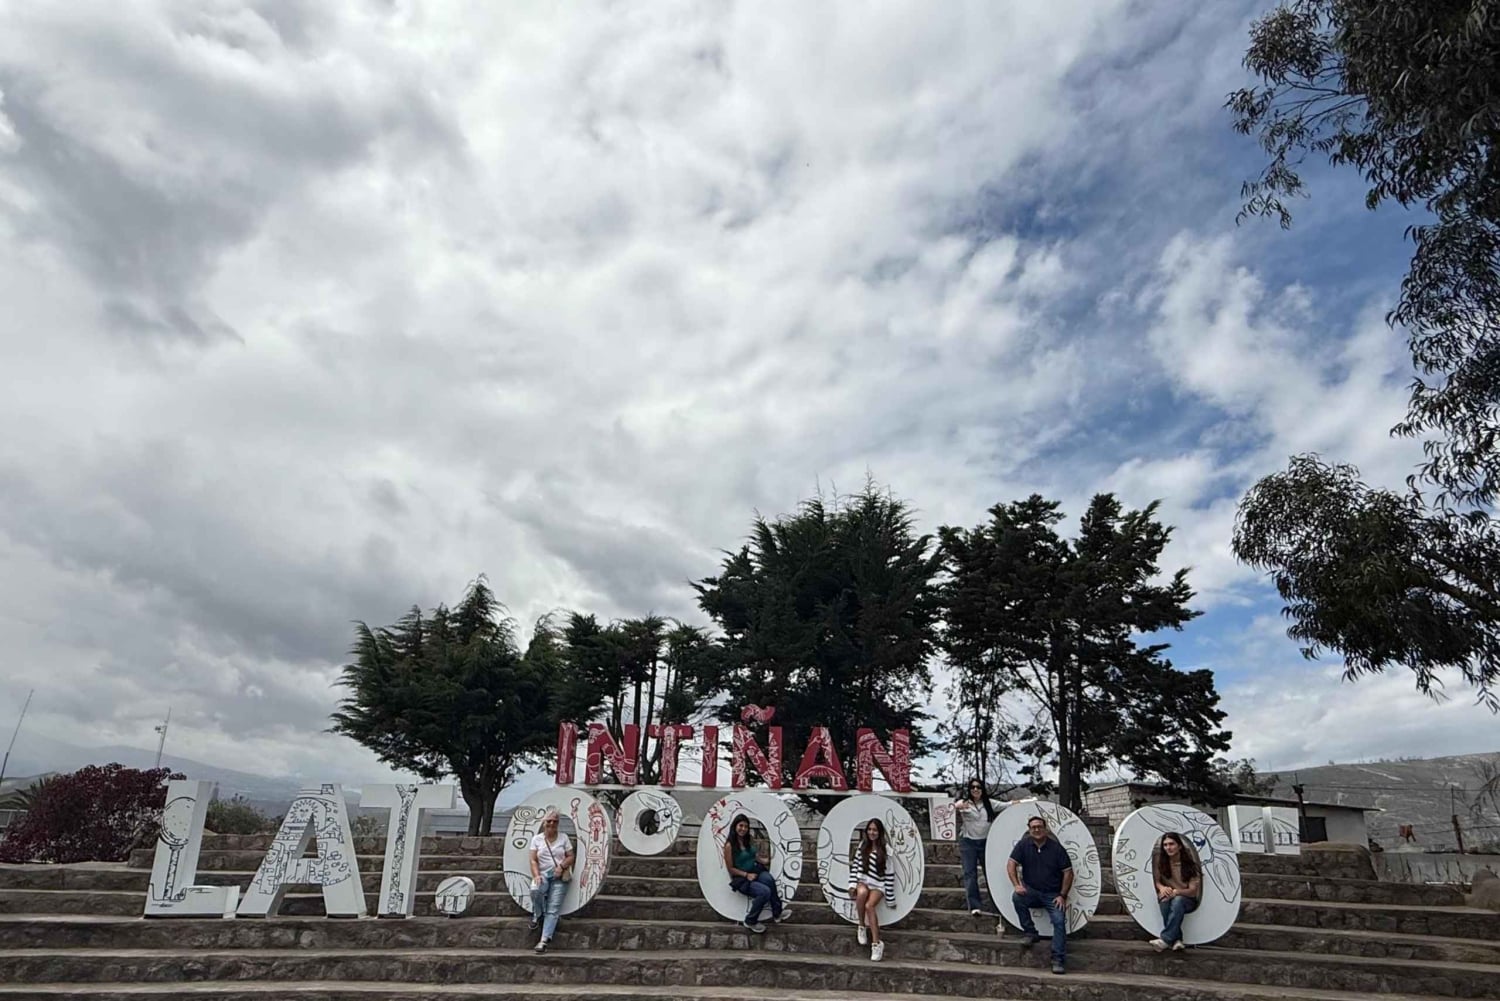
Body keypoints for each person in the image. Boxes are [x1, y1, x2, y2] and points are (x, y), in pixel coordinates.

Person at [1006, 815, 1073, 975]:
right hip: (1032, 891)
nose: (1036, 830)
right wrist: (1016, 885)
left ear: (1045, 829)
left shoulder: (1056, 848)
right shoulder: (1023, 845)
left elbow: (1068, 872)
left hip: (1052, 894)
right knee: (1017, 898)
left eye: (1039, 827)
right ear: (1029, 830)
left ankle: (1058, 959)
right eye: (1033, 827)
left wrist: (1062, 895)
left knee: (1059, 920)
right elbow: (1011, 864)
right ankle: (1030, 932)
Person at [722, 813, 791, 932]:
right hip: (742, 879)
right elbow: (730, 868)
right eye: (741, 825)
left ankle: (777, 913)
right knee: (764, 892)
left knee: (769, 879)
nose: (743, 829)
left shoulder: (749, 840)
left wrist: (765, 860)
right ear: (735, 826)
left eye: (746, 826)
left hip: (755, 870)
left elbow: (754, 856)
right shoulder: (729, 846)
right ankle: (750, 921)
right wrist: (746, 875)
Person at [847, 817, 897, 962]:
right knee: (861, 893)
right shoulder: (863, 846)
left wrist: (890, 897)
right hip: (863, 880)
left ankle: (876, 943)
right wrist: (851, 884)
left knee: (870, 905)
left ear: (879, 832)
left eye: (874, 830)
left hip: (878, 884)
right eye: (869, 829)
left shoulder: (886, 850)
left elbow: (889, 874)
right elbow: (855, 866)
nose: (871, 832)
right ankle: (861, 925)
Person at [528, 809, 575, 953]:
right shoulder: (537, 839)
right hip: (543, 874)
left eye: (555, 821)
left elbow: (570, 856)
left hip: (559, 877)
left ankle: (543, 941)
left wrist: (561, 866)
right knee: (535, 890)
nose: (552, 823)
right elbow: (533, 859)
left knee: (553, 909)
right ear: (543, 823)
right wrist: (536, 875)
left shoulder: (563, 838)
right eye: (549, 820)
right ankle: (538, 913)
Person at [954, 778, 1001, 915]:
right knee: (970, 873)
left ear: (982, 789)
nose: (975, 790)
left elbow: (1008, 804)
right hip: (968, 842)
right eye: (972, 787)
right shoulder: (964, 803)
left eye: (978, 787)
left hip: (986, 842)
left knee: (991, 874)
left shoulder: (990, 804)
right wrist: (958, 807)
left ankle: (997, 905)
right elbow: (951, 808)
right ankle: (975, 906)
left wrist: (1026, 802)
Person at [1150, 831, 1201, 952]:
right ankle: (1177, 939)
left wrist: (1177, 892)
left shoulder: (1190, 865)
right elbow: (1157, 881)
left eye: (1172, 844)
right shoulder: (1161, 862)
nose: (1168, 847)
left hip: (1186, 899)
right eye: (1165, 845)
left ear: (1180, 846)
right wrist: (1162, 888)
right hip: (1170, 896)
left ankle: (1166, 939)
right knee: (1164, 899)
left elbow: (1193, 891)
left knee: (1177, 901)